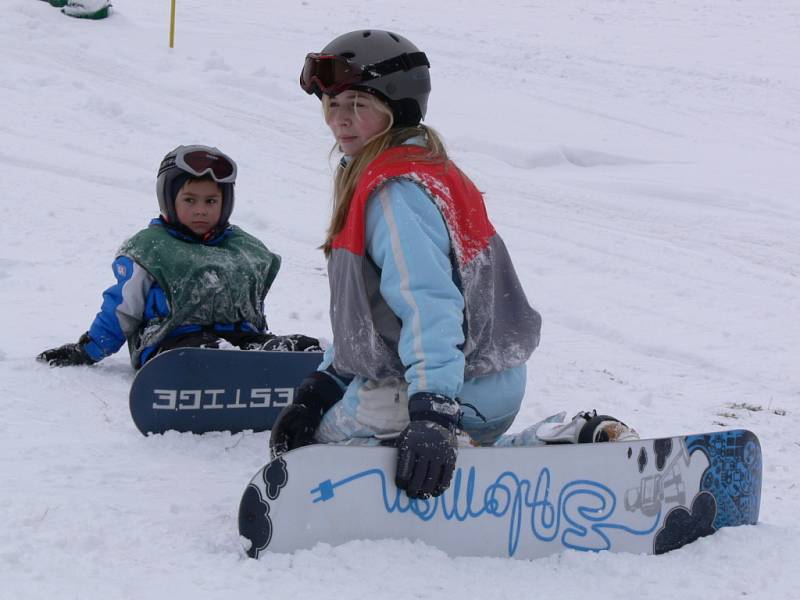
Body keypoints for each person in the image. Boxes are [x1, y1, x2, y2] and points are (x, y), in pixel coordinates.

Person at [269, 30, 637, 499]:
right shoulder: (425, 169)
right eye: (333, 105)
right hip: (489, 378)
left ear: (396, 106)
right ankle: (557, 444)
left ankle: (519, 445)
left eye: (358, 104)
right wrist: (322, 386)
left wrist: (433, 414)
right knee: (322, 422)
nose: (341, 120)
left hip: (453, 388)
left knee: (314, 456)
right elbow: (369, 315)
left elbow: (428, 306)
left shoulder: (392, 193)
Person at [37, 144, 320, 369]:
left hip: (239, 339)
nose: (201, 210)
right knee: (202, 349)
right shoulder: (152, 249)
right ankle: (220, 361)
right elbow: (122, 308)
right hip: (172, 346)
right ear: (168, 200)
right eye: (190, 200)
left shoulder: (241, 247)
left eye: (211, 201)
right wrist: (88, 350)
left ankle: (283, 361)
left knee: (295, 344)